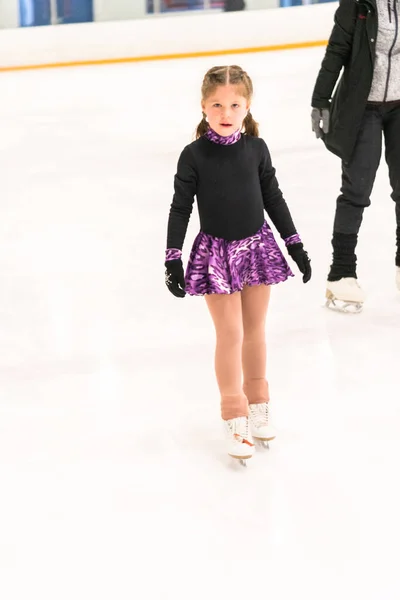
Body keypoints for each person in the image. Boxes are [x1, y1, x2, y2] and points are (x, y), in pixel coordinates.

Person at [165, 65, 311, 463]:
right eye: (217, 104)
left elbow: (274, 198)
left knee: (255, 330)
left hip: (257, 249)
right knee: (229, 334)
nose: (225, 112)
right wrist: (172, 256)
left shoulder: (257, 149)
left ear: (247, 106)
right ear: (203, 107)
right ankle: (235, 414)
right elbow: (180, 208)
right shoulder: (193, 155)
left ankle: (258, 401)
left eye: (234, 104)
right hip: (215, 256)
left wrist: (294, 244)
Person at [311, 0, 400, 312]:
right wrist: (320, 99)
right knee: (357, 189)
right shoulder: (358, 3)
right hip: (363, 108)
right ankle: (342, 273)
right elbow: (337, 50)